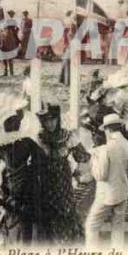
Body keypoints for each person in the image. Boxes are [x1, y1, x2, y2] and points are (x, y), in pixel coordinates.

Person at [0, 111, 45, 244]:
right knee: (27, 230)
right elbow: (41, 161)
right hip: (29, 194)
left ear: (4, 125)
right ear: (19, 125)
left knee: (14, 230)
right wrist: (29, 170)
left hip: (11, 198)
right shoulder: (28, 143)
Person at [37, 104, 90, 244]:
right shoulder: (39, 138)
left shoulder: (66, 136)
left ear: (58, 119)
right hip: (45, 180)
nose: (50, 124)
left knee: (65, 209)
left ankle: (67, 242)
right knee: (48, 211)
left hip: (63, 180)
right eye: (46, 120)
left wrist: (77, 172)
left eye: (53, 119)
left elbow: (83, 156)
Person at [85, 113, 128, 249]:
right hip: (123, 192)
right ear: (120, 127)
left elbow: (100, 176)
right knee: (118, 227)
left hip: (106, 195)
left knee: (92, 225)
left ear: (107, 130)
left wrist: (94, 161)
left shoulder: (106, 149)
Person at [0, 10, 20, 76]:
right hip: (11, 37)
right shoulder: (14, 21)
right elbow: (18, 28)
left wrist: (4, 31)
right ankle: (11, 72)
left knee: (4, 54)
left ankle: (6, 72)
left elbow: (3, 28)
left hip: (6, 37)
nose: (12, 15)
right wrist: (15, 32)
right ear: (12, 15)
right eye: (12, 14)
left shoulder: (6, 21)